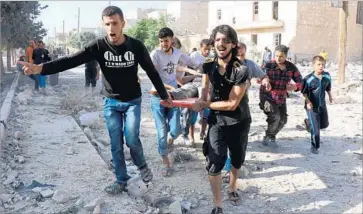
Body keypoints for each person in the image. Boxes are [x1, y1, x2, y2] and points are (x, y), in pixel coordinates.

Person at [18, 6, 172, 195]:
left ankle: (142, 167)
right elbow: (69, 61)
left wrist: (165, 95)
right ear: (103, 25)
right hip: (111, 103)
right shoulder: (98, 46)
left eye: (115, 23)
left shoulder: (136, 46)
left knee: (131, 138)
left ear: (122, 24)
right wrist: (39, 68)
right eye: (107, 24)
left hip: (133, 101)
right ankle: (121, 180)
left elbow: (151, 71)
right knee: (115, 143)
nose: (111, 28)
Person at [192, 25, 250, 214]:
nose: (221, 43)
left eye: (226, 40)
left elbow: (232, 103)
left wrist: (206, 105)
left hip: (238, 120)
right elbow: (205, 87)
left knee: (237, 158)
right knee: (215, 159)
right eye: (217, 40)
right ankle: (218, 204)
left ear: (233, 44)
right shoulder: (208, 64)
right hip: (217, 120)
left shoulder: (241, 69)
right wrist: (201, 101)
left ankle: (232, 187)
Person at [150, 27, 201, 177]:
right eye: (161, 41)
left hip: (173, 96)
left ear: (172, 39)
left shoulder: (178, 53)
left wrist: (204, 68)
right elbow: (153, 76)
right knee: (161, 132)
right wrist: (166, 87)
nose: (163, 44)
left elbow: (193, 63)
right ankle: (166, 163)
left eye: (166, 41)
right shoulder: (155, 54)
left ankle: (170, 141)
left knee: (176, 129)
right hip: (157, 97)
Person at [222, 41, 271, 183]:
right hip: (225, 104)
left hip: (242, 104)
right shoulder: (224, 63)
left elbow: (263, 75)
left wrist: (265, 80)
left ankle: (235, 165)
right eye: (237, 52)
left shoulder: (249, 64)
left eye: (242, 52)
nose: (239, 55)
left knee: (240, 139)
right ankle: (228, 169)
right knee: (226, 137)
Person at [259, 45, 303, 148]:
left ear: (286, 56)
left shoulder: (291, 67)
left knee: (283, 120)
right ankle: (270, 137)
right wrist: (264, 80)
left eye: (281, 56)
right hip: (267, 96)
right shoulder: (268, 65)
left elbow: (301, 82)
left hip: (281, 97)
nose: (278, 58)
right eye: (277, 55)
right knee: (275, 116)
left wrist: (295, 87)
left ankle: (270, 135)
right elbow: (258, 76)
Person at [301, 55, 333, 154]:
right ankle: (315, 147)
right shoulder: (308, 79)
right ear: (313, 65)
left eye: (323, 64)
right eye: (319, 64)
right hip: (311, 107)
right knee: (316, 129)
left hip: (322, 105)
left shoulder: (327, 76)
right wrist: (308, 102)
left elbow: (328, 87)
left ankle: (308, 123)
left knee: (324, 124)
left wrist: (330, 96)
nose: (321, 66)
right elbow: (304, 92)